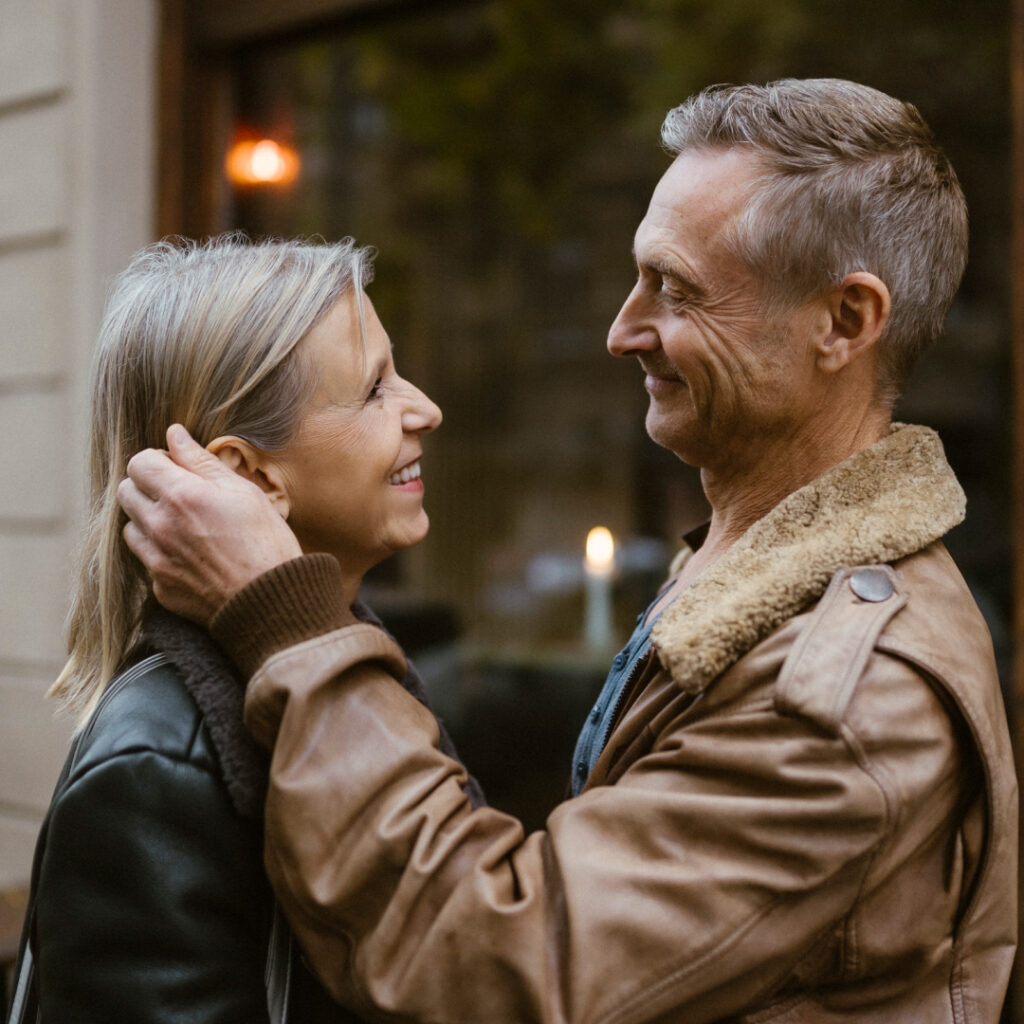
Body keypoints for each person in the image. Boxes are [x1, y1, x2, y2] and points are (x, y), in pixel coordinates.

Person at [118, 79, 1017, 1022]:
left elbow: (492, 963)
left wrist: (285, 618)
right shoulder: (752, 575)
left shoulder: (850, 701)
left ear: (844, 322)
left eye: (676, 289)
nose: (623, 331)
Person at [8, 234, 482, 1024]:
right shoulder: (157, 769)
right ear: (249, 475)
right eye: (375, 389)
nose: (424, 409)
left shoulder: (357, 671)